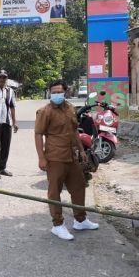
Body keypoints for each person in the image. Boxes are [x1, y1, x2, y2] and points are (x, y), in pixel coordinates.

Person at [35, 80, 99, 240]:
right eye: (53, 92)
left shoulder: (70, 108)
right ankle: (57, 225)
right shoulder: (45, 111)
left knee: (78, 187)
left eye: (59, 92)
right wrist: (41, 158)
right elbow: (38, 134)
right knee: (55, 191)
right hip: (55, 157)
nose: (56, 95)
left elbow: (74, 131)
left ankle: (81, 220)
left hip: (72, 155)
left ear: (65, 92)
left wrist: (82, 150)